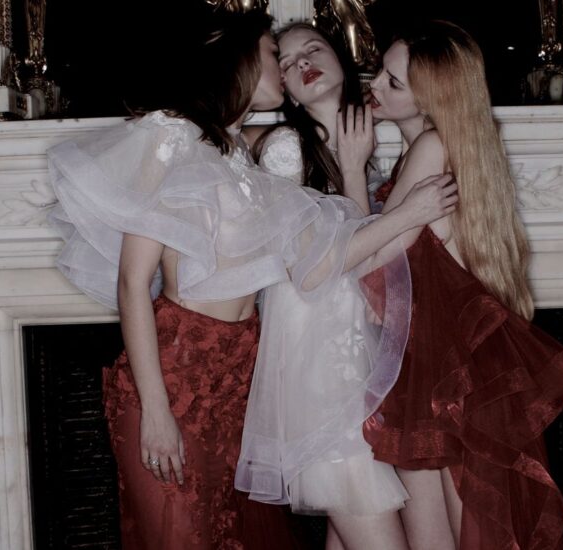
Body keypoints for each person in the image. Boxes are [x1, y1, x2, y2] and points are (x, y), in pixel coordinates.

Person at [48, 6, 457, 549]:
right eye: (274, 55)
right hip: (179, 367)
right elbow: (132, 284)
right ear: (240, 61)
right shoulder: (173, 137)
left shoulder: (240, 150)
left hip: (238, 370)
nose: (286, 68)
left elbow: (318, 255)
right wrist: (156, 411)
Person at [363, 21, 563, 549]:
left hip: (438, 364)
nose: (374, 86)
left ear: (429, 98)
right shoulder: (443, 147)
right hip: (451, 360)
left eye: (393, 82)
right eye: (380, 73)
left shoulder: (430, 148)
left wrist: (351, 170)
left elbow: (372, 259)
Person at [237, 23, 409, 550]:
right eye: (287, 62)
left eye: (312, 49)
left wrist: (355, 166)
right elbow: (312, 272)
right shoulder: (286, 149)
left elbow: (363, 262)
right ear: (287, 91)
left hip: (350, 363)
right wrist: (403, 207)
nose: (302, 63)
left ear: (342, 59)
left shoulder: (359, 144)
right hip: (319, 377)